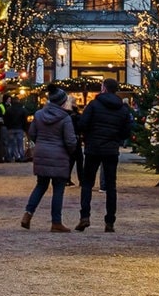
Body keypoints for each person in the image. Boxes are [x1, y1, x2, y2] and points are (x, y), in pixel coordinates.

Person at [75, 78, 134, 232]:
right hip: (111, 149)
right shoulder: (122, 109)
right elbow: (127, 131)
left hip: (93, 148)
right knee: (110, 186)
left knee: (87, 183)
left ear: (104, 88)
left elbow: (82, 124)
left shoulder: (94, 105)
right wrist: (115, 138)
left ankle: (85, 216)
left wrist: (88, 136)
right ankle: (109, 222)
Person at [21, 86, 79, 232]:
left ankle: (27, 214)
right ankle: (56, 222)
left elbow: (32, 132)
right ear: (62, 102)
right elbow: (70, 140)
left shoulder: (39, 114)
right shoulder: (65, 118)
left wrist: (40, 142)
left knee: (40, 186)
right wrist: (70, 151)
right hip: (59, 155)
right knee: (58, 189)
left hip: (42, 153)